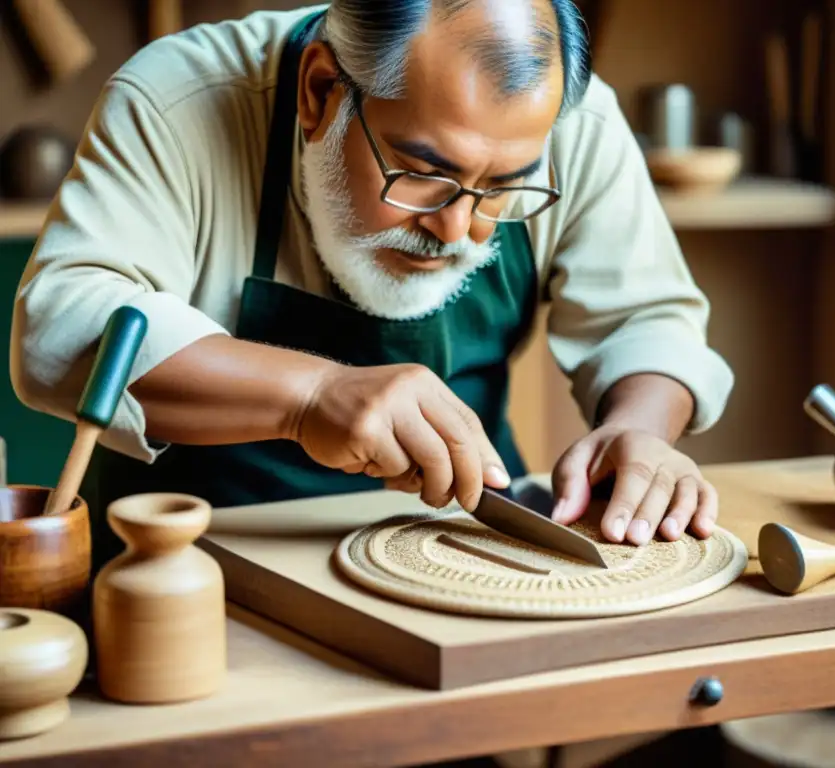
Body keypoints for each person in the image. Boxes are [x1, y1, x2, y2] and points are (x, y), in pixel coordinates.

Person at [10, 0, 734, 572]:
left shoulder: (569, 124)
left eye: (502, 190)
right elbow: (59, 325)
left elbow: (647, 318)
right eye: (423, 172)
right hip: (190, 567)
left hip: (463, 549)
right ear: (322, 89)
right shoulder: (181, 98)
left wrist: (637, 432)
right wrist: (309, 398)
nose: (458, 228)